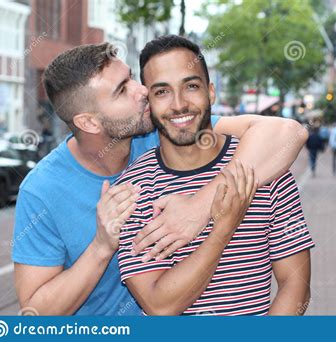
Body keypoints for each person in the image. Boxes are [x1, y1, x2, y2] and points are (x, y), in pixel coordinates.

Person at [11, 42, 308, 315]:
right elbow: (36, 315)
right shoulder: (43, 190)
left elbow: (288, 133)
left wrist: (199, 208)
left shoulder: (167, 130)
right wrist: (101, 248)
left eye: (132, 78)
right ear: (88, 121)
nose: (143, 91)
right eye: (122, 89)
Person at [117, 35, 314, 315]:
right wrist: (222, 228)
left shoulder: (264, 165)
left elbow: (296, 285)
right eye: (162, 92)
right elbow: (159, 304)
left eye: (191, 86)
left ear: (211, 92)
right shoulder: (134, 190)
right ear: (148, 103)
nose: (179, 104)